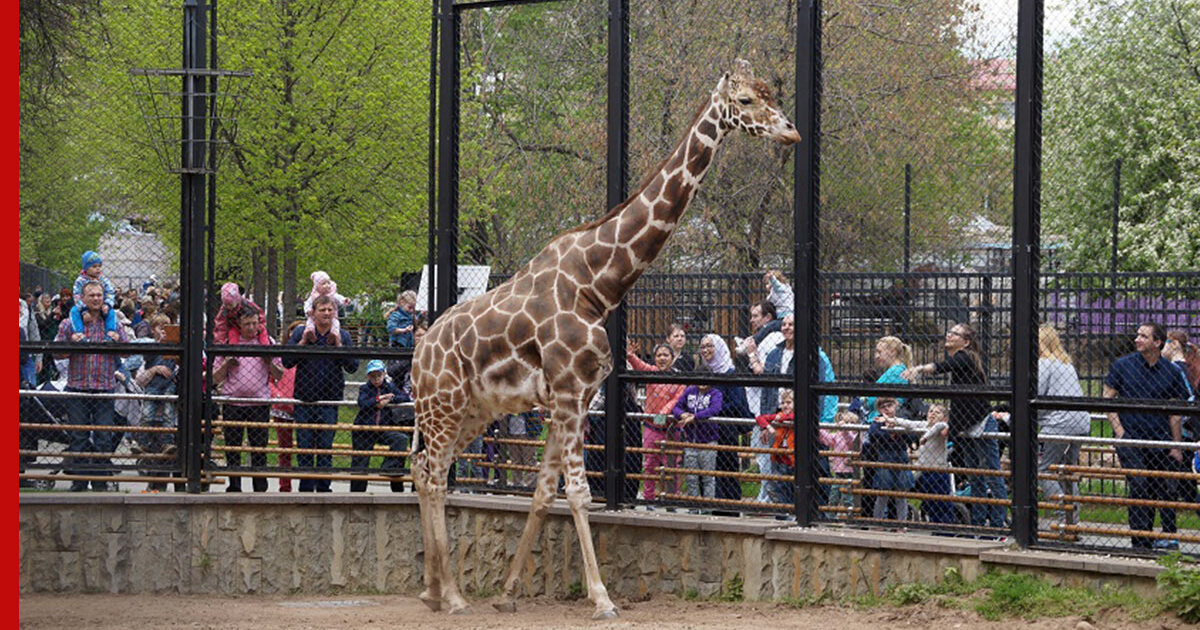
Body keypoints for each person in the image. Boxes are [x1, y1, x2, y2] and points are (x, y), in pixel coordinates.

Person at [902, 323, 1003, 528]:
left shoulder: (965, 356)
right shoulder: (961, 362)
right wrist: (953, 427)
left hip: (982, 424)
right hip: (966, 427)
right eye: (949, 332)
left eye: (955, 333)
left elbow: (942, 367)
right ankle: (977, 523)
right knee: (975, 477)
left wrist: (919, 369)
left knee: (992, 475)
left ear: (966, 341)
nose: (948, 335)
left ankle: (998, 524)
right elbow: (959, 403)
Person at [1103, 322, 1190, 551]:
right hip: (1131, 437)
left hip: (1158, 439)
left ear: (1157, 342)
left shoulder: (1171, 372)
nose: (1137, 339)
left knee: (1154, 487)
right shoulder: (1123, 366)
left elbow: (1176, 413)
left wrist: (1176, 445)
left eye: (1143, 336)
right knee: (1139, 484)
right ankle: (1139, 540)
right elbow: (1107, 398)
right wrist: (1120, 432)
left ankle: (1147, 537)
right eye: (1138, 335)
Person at [54, 281, 130, 491]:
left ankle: (99, 482)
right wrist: (71, 343)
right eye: (92, 295)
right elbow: (56, 353)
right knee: (78, 436)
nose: (96, 299)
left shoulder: (114, 323)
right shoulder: (70, 323)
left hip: (104, 387)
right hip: (78, 386)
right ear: (83, 298)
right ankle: (78, 482)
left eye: (99, 295)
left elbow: (127, 352)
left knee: (103, 437)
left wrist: (117, 341)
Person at [283, 294, 358, 492]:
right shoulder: (301, 332)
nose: (326, 313)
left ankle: (324, 487)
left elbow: (352, 366)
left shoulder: (343, 334)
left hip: (330, 399)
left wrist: (339, 346)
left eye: (330, 310)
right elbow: (286, 361)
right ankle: (306, 488)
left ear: (335, 312)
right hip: (305, 399)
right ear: (313, 313)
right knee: (305, 446)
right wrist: (303, 343)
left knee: (325, 446)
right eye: (322, 310)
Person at [213, 301, 282, 492]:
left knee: (259, 447)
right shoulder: (228, 344)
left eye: (255, 323)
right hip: (232, 402)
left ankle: (260, 486)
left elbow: (280, 375)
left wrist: (269, 362)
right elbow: (214, 378)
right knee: (233, 447)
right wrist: (227, 364)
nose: (252, 328)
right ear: (238, 325)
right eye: (247, 324)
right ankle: (234, 485)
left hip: (259, 403)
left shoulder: (268, 344)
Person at [1034, 325, 1092, 527]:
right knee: (1068, 472)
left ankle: (1062, 515)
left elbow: (1036, 395)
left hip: (1059, 423)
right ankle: (1072, 522)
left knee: (1044, 470)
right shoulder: (1065, 363)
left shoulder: (1043, 363)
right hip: (1080, 421)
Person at [626, 341, 686, 503]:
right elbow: (640, 366)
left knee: (671, 466)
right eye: (659, 355)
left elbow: (677, 399)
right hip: (651, 427)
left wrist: (664, 413)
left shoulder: (678, 378)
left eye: (665, 355)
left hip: (671, 428)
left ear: (673, 358)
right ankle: (648, 498)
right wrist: (631, 356)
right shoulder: (652, 372)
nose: (662, 358)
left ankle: (671, 498)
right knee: (650, 465)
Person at [698, 334, 751, 505]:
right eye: (703, 346)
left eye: (710, 346)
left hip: (726, 429)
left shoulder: (729, 372)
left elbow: (736, 402)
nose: (706, 350)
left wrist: (712, 410)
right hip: (707, 430)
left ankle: (730, 505)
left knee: (727, 468)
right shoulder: (706, 372)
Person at [739, 303, 785, 502]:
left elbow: (763, 371)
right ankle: (766, 493)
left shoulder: (773, 338)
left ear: (768, 318)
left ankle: (768, 495)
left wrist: (750, 352)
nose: (752, 320)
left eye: (756, 315)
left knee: (767, 452)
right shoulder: (764, 337)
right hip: (758, 405)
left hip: (769, 407)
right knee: (762, 452)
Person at [351, 360, 411, 493]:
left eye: (379, 375)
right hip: (365, 429)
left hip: (383, 428)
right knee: (360, 462)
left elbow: (405, 398)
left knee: (401, 439)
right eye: (373, 376)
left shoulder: (389, 387)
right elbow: (363, 402)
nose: (376, 379)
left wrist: (390, 399)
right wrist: (378, 400)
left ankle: (389, 467)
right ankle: (357, 494)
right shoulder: (365, 389)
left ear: (384, 375)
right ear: (368, 377)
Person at [134, 313, 179, 491]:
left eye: (167, 327)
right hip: (153, 407)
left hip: (169, 408)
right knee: (152, 455)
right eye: (160, 328)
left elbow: (180, 368)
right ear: (153, 330)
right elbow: (140, 380)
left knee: (166, 458)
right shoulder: (151, 350)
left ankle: (163, 486)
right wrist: (154, 369)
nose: (164, 331)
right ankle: (143, 445)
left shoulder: (175, 348)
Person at [889, 403, 955, 524]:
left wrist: (925, 437)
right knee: (930, 502)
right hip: (926, 470)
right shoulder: (924, 425)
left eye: (937, 412)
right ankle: (936, 525)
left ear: (944, 417)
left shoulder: (942, 426)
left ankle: (947, 526)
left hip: (938, 471)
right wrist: (892, 420)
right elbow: (909, 423)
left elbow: (939, 426)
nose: (933, 413)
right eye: (931, 411)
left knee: (942, 502)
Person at [672, 382, 723, 502]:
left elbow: (715, 409)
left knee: (708, 477)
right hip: (690, 440)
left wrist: (695, 417)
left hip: (708, 441)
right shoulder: (690, 391)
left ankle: (708, 507)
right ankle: (693, 506)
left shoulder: (716, 393)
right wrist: (682, 414)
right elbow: (676, 407)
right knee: (691, 477)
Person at [867, 397, 915, 525]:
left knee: (901, 495)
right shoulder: (877, 421)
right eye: (883, 407)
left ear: (896, 406)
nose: (887, 409)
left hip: (901, 459)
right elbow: (873, 435)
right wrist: (890, 433)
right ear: (878, 410)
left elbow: (910, 436)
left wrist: (897, 428)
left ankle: (901, 523)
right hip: (885, 458)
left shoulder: (901, 420)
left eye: (890, 405)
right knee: (882, 494)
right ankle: (878, 522)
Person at [270, 320, 304, 492]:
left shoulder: (308, 357)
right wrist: (277, 395)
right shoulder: (280, 356)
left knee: (306, 448)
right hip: (282, 408)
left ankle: (307, 484)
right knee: (285, 450)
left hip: (303, 407)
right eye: (293, 331)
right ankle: (285, 486)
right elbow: (269, 380)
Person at [757, 389, 796, 505]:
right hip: (780, 459)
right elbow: (760, 418)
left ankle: (792, 510)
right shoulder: (778, 416)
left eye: (789, 403)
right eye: (783, 403)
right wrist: (768, 427)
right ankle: (783, 511)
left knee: (792, 488)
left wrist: (780, 419)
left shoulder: (793, 416)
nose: (785, 405)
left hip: (792, 460)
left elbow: (793, 417)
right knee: (777, 487)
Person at [68, 251, 120, 339]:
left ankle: (110, 333)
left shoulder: (103, 280)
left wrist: (107, 304)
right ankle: (79, 334)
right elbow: (77, 296)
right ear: (86, 268)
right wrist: (83, 310)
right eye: (94, 266)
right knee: (74, 311)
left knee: (111, 313)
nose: (98, 269)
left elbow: (110, 292)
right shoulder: (80, 281)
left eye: (99, 266)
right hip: (83, 306)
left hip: (101, 305)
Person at [820, 410, 859, 513]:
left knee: (848, 498)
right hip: (838, 472)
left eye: (851, 423)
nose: (848, 425)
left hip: (849, 472)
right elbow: (828, 439)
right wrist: (819, 429)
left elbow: (850, 441)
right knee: (834, 496)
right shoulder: (839, 435)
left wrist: (845, 429)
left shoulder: (855, 437)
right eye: (846, 422)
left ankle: (850, 517)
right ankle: (831, 518)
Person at [302, 270, 349, 340]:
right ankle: (309, 331)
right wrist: (308, 310)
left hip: (332, 316)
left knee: (336, 323)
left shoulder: (332, 294)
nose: (327, 285)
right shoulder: (314, 295)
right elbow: (307, 303)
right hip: (314, 315)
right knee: (310, 321)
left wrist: (344, 300)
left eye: (328, 283)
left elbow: (338, 297)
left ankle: (334, 333)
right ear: (317, 286)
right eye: (323, 283)